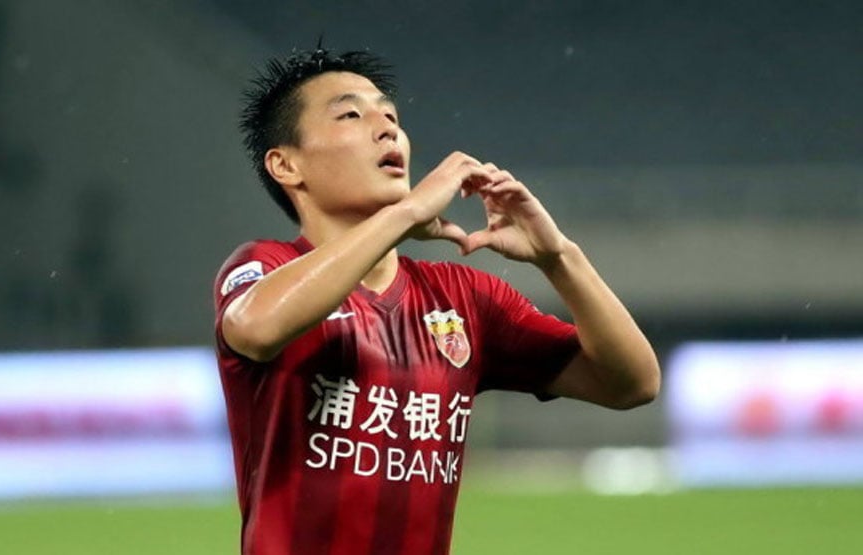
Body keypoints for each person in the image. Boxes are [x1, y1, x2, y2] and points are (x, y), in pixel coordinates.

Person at [213, 46, 660, 555]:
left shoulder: (465, 297)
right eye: (351, 115)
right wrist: (406, 214)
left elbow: (632, 383)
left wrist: (559, 257)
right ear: (286, 164)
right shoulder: (264, 266)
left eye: (391, 116)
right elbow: (257, 327)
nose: (386, 129)